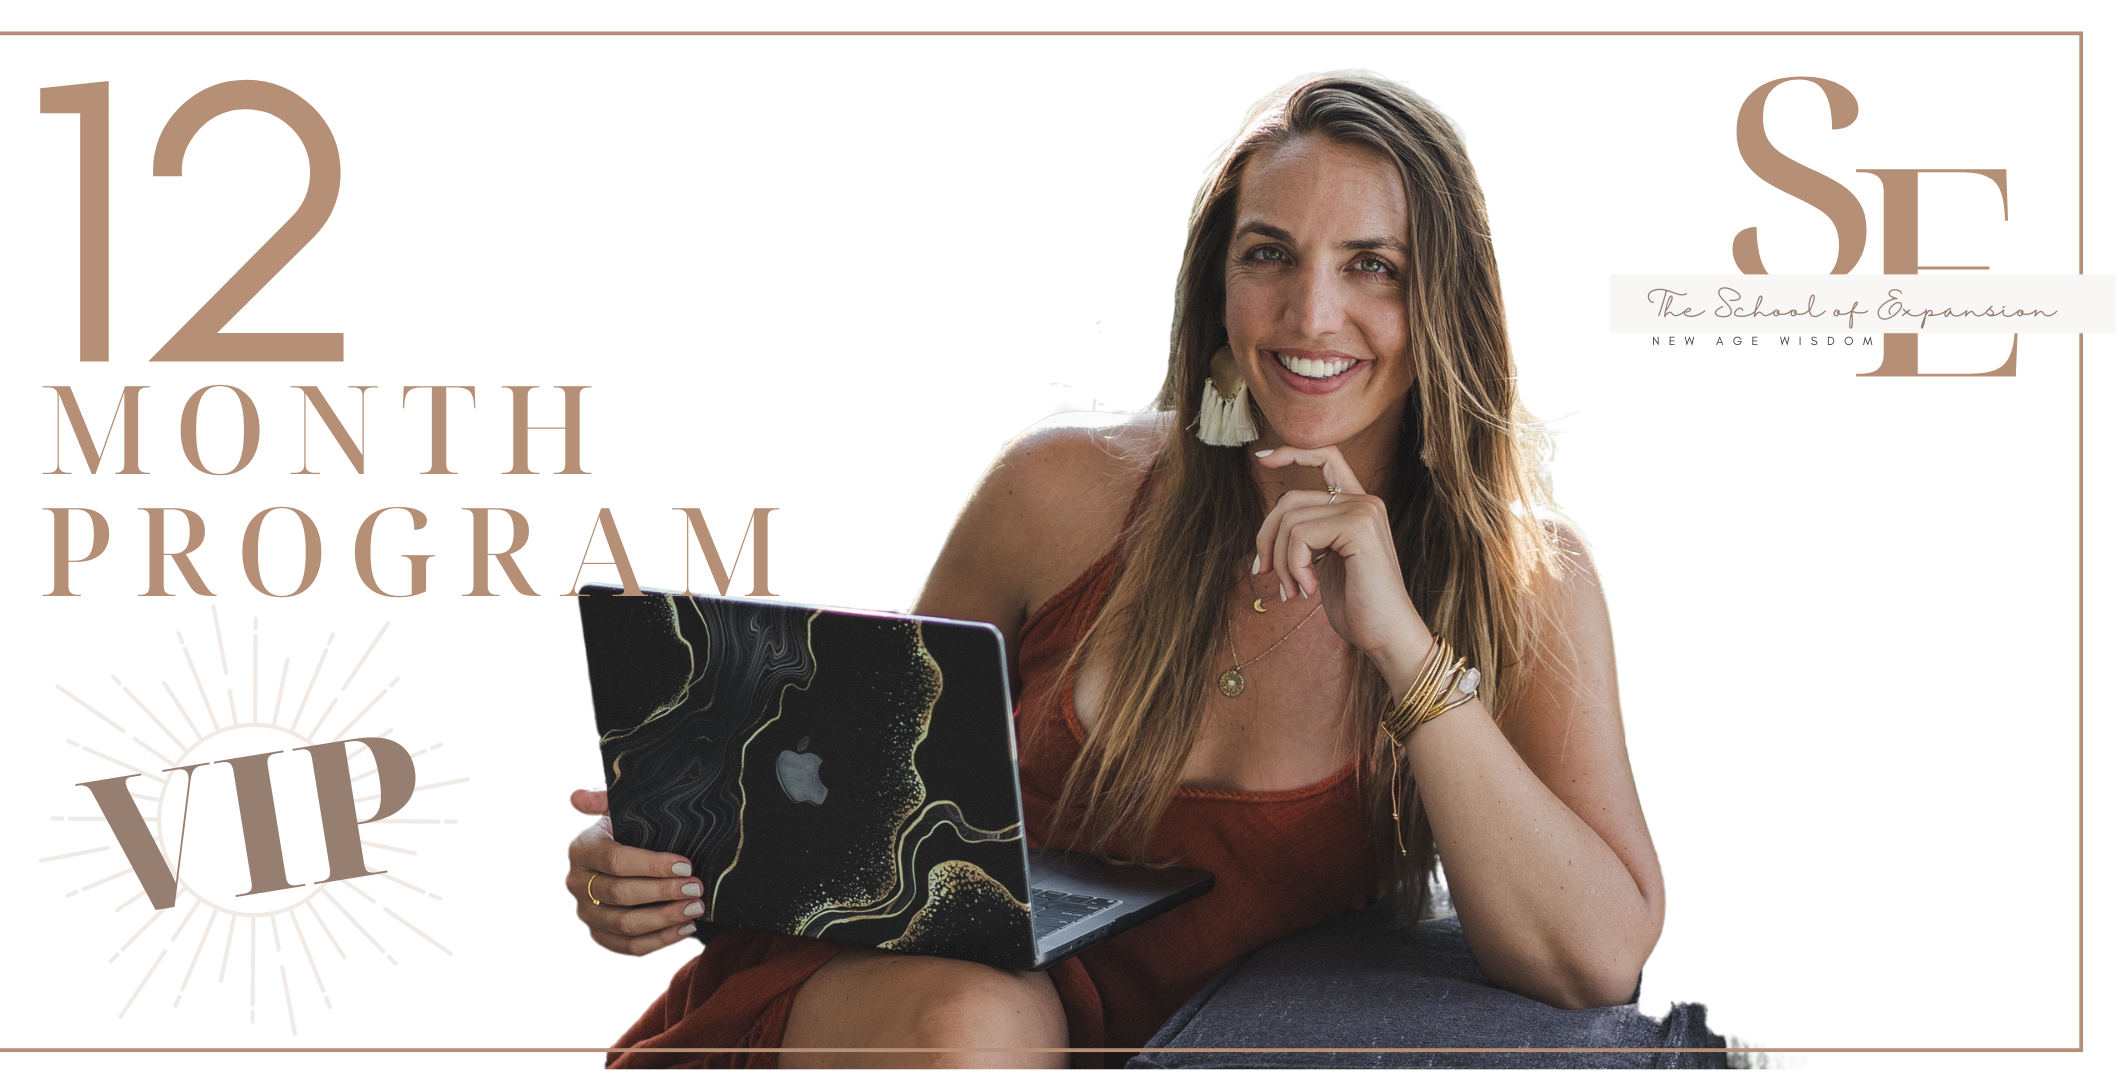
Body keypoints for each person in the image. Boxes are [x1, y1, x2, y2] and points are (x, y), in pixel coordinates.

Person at [567, 71, 1664, 1069]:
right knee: (984, 1021)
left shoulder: (1524, 583)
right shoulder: (1061, 492)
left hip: (1171, 1051)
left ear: (1446, 304)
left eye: (1372, 266)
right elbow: (841, 804)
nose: (1310, 314)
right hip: (897, 1024)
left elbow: (1592, 965)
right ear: (1218, 285)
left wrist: (1402, 648)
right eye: (1269, 254)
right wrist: (654, 862)